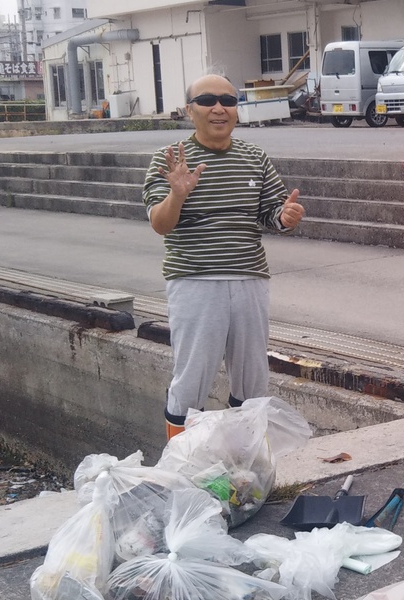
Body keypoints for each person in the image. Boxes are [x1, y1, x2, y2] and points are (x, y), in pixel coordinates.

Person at [142, 73, 305, 440]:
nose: (219, 108)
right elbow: (160, 223)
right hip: (195, 280)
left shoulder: (254, 157)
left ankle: (248, 466)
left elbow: (273, 213)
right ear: (189, 110)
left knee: (253, 380)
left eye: (229, 101)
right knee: (192, 377)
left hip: (250, 278)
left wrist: (285, 217)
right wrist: (178, 194)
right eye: (208, 101)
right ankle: (180, 466)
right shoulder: (168, 160)